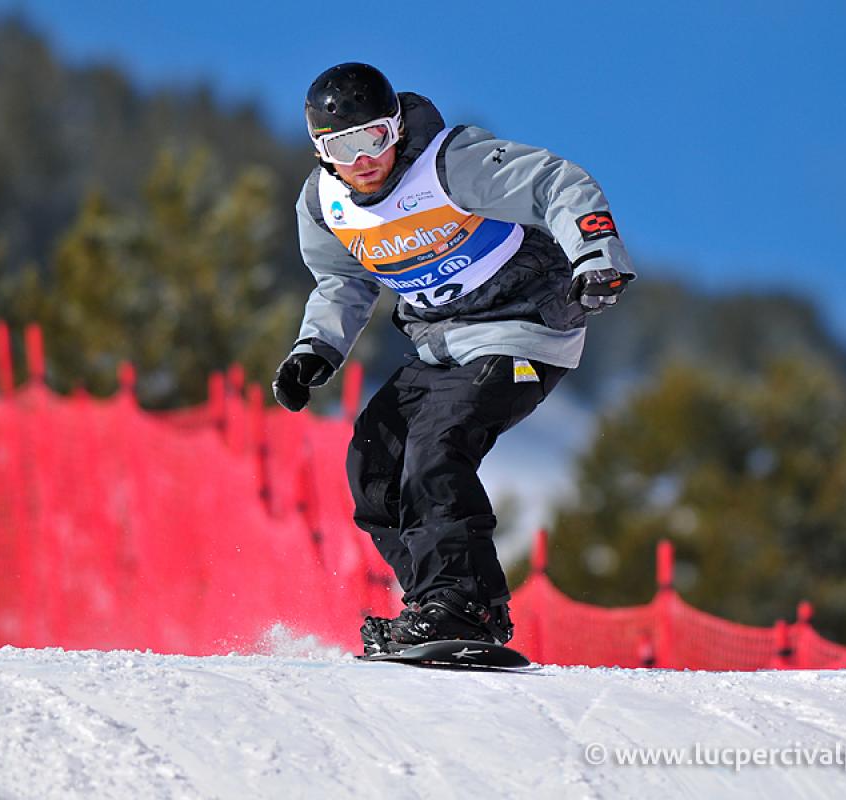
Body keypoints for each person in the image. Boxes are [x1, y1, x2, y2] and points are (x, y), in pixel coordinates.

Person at [272, 62, 635, 655]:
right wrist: (315, 349)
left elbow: (555, 183)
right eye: (342, 146)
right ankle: (434, 605)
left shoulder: (448, 166)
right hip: (441, 342)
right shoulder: (324, 205)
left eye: (374, 138)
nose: (363, 160)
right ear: (319, 150)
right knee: (375, 463)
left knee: (437, 449)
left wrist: (594, 254)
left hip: (523, 329)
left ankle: (467, 607)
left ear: (394, 129)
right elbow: (341, 280)